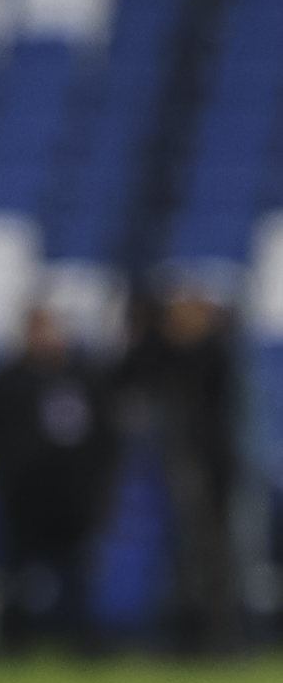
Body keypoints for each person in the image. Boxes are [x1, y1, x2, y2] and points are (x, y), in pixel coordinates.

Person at [0, 300, 116, 657]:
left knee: (78, 574)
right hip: (23, 497)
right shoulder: (7, 380)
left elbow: (107, 437)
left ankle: (82, 642)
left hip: (72, 497)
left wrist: (96, 484)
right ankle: (14, 643)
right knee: (17, 574)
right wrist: (8, 474)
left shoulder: (83, 377)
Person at [126, 274, 252, 660]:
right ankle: (183, 636)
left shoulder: (213, 353)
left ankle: (218, 637)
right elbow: (135, 369)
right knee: (181, 558)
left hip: (209, 470)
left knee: (212, 558)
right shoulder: (170, 354)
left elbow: (211, 390)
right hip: (177, 468)